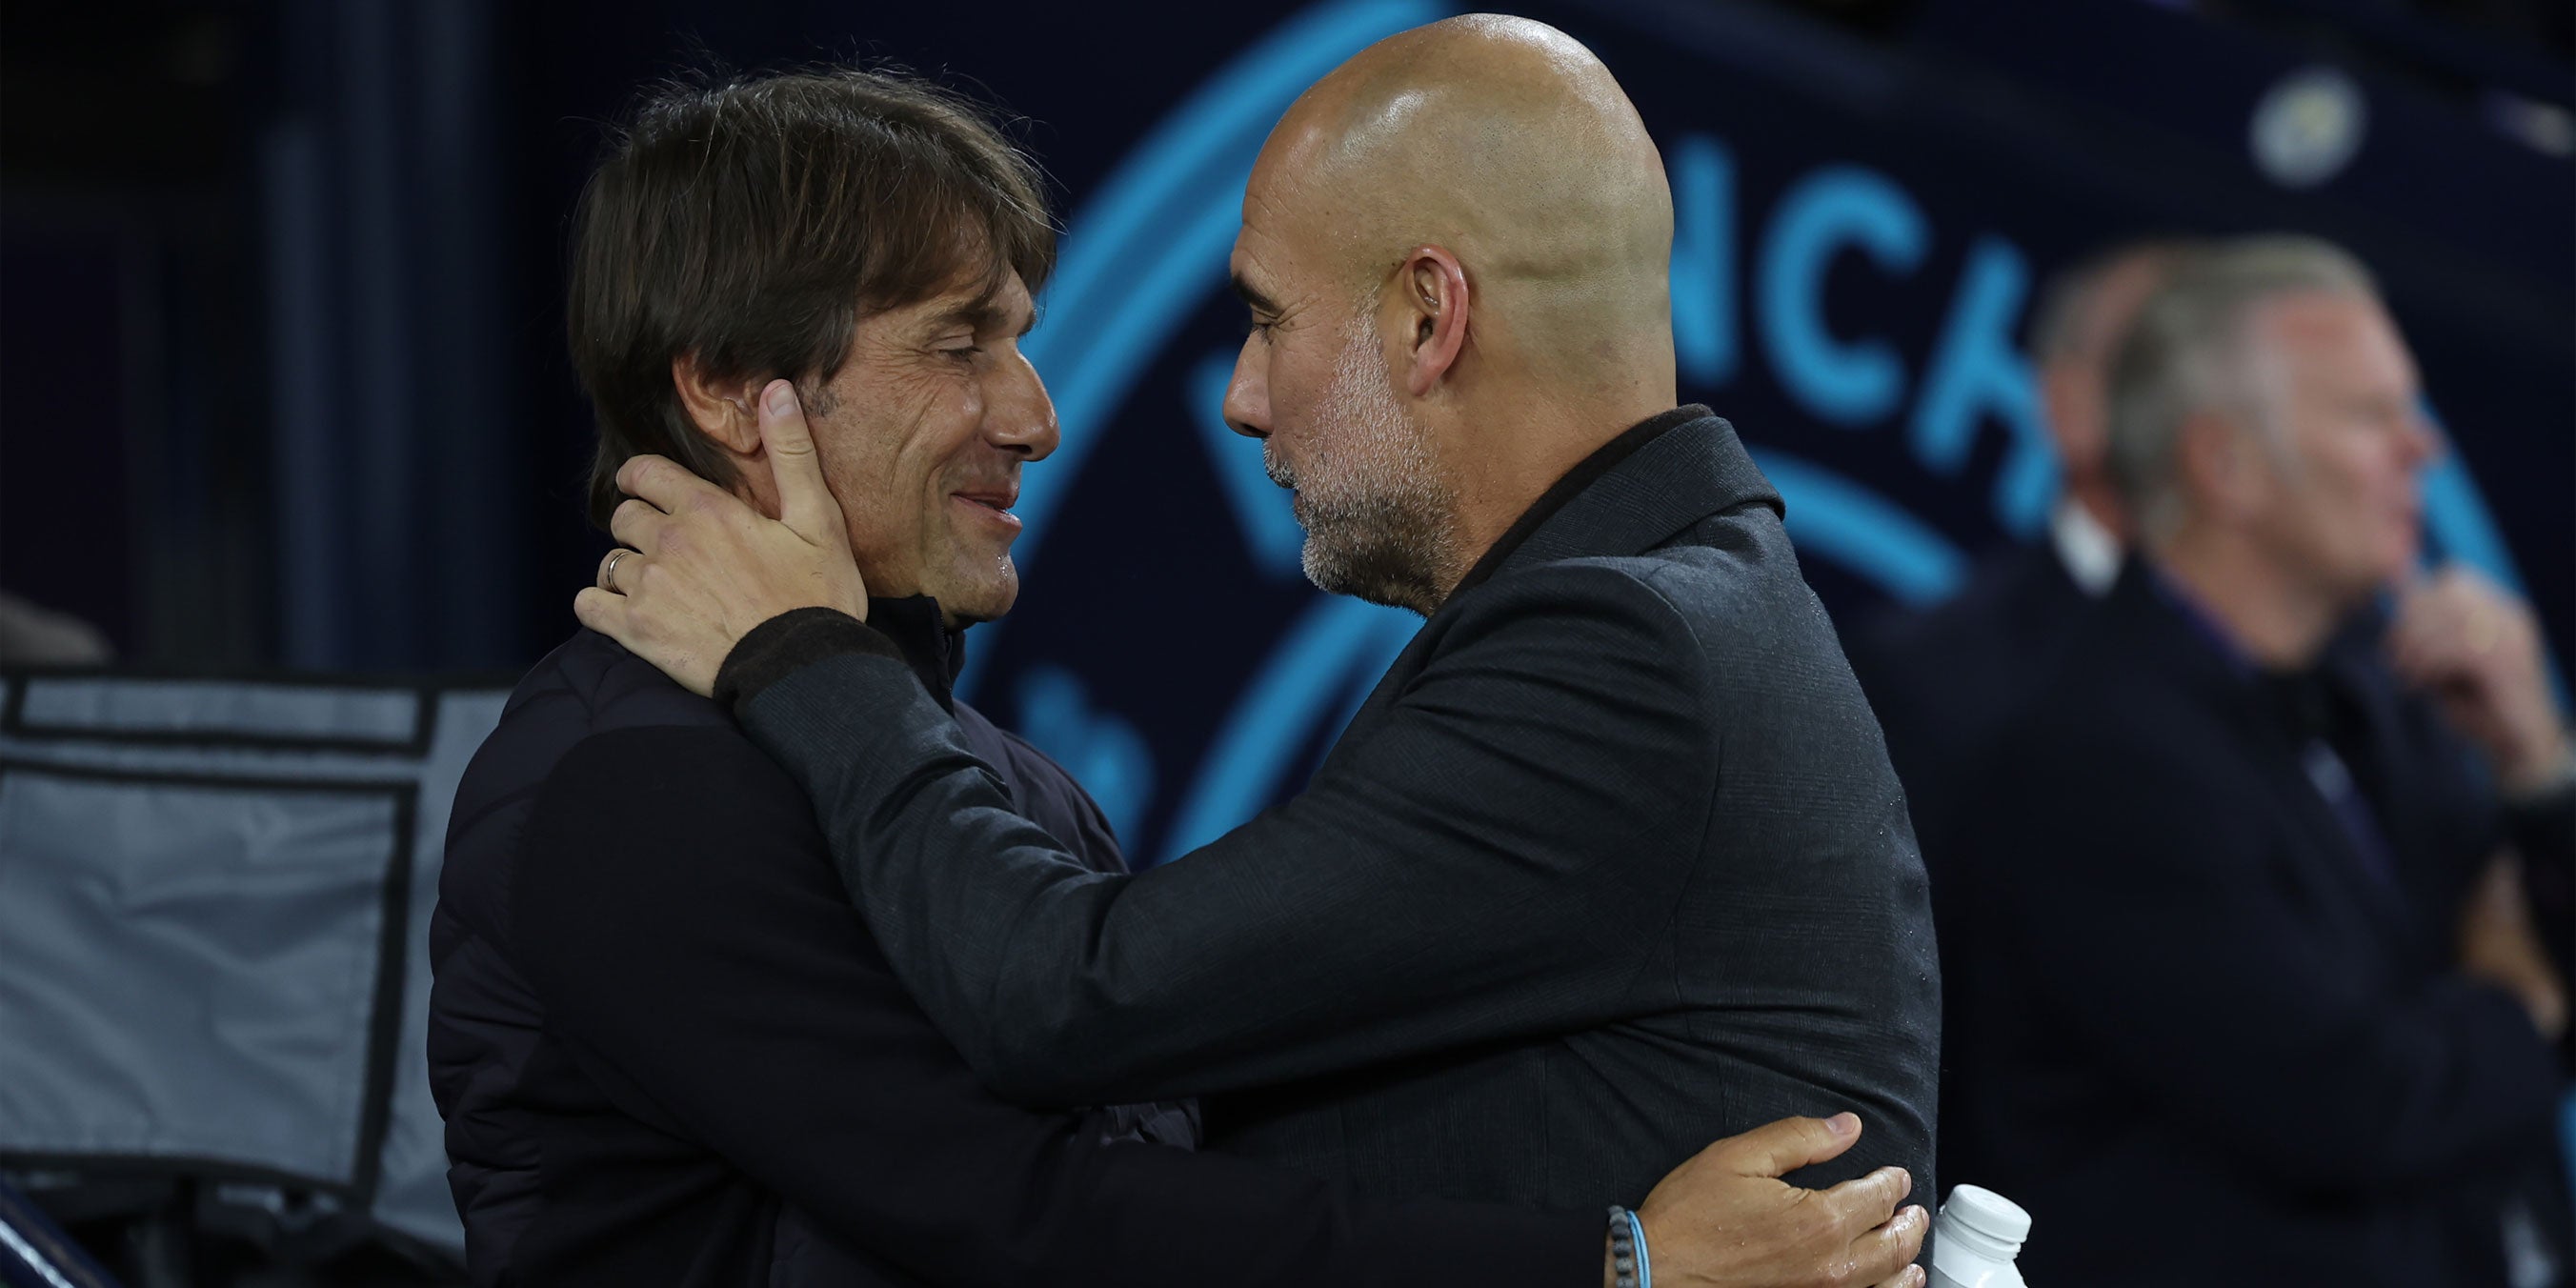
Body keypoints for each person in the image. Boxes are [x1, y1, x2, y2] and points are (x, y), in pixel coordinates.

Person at [427, 65, 1932, 1288]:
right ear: (718, 387)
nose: (1038, 415)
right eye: (959, 345)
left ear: (1430, 315)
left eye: (1267, 322)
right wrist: (1610, 1267)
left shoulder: (1627, 651)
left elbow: (1089, 1080)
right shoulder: (634, 789)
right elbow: (1022, 1214)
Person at [1940, 235, 2575, 1285]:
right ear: (2224, 464)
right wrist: (2517, 1000)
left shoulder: (2388, 699)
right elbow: (2356, 1108)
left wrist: (2537, 766)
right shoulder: (2094, 761)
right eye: (2371, 414)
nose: (2421, 446)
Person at [1845, 239, 2189, 874]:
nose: (2205, 400)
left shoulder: (2336, 685)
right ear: (2070, 407)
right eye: (2161, 366)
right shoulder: (1933, 680)